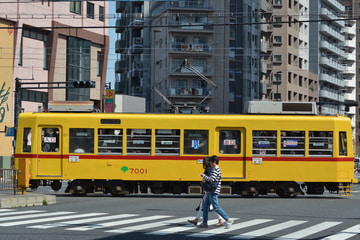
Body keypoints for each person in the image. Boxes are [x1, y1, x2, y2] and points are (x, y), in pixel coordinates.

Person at [198, 155, 233, 229]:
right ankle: (204, 222)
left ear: (214, 162)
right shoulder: (216, 169)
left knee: (216, 207)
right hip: (211, 190)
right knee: (205, 206)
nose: (210, 164)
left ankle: (228, 219)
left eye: (210, 162)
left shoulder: (216, 170)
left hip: (213, 191)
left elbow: (211, 179)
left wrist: (203, 176)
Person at [188, 157, 224, 227]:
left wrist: (203, 178)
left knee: (213, 206)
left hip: (209, 190)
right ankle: (197, 219)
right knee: (205, 205)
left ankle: (223, 219)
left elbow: (209, 179)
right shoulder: (211, 169)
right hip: (210, 190)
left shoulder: (208, 169)